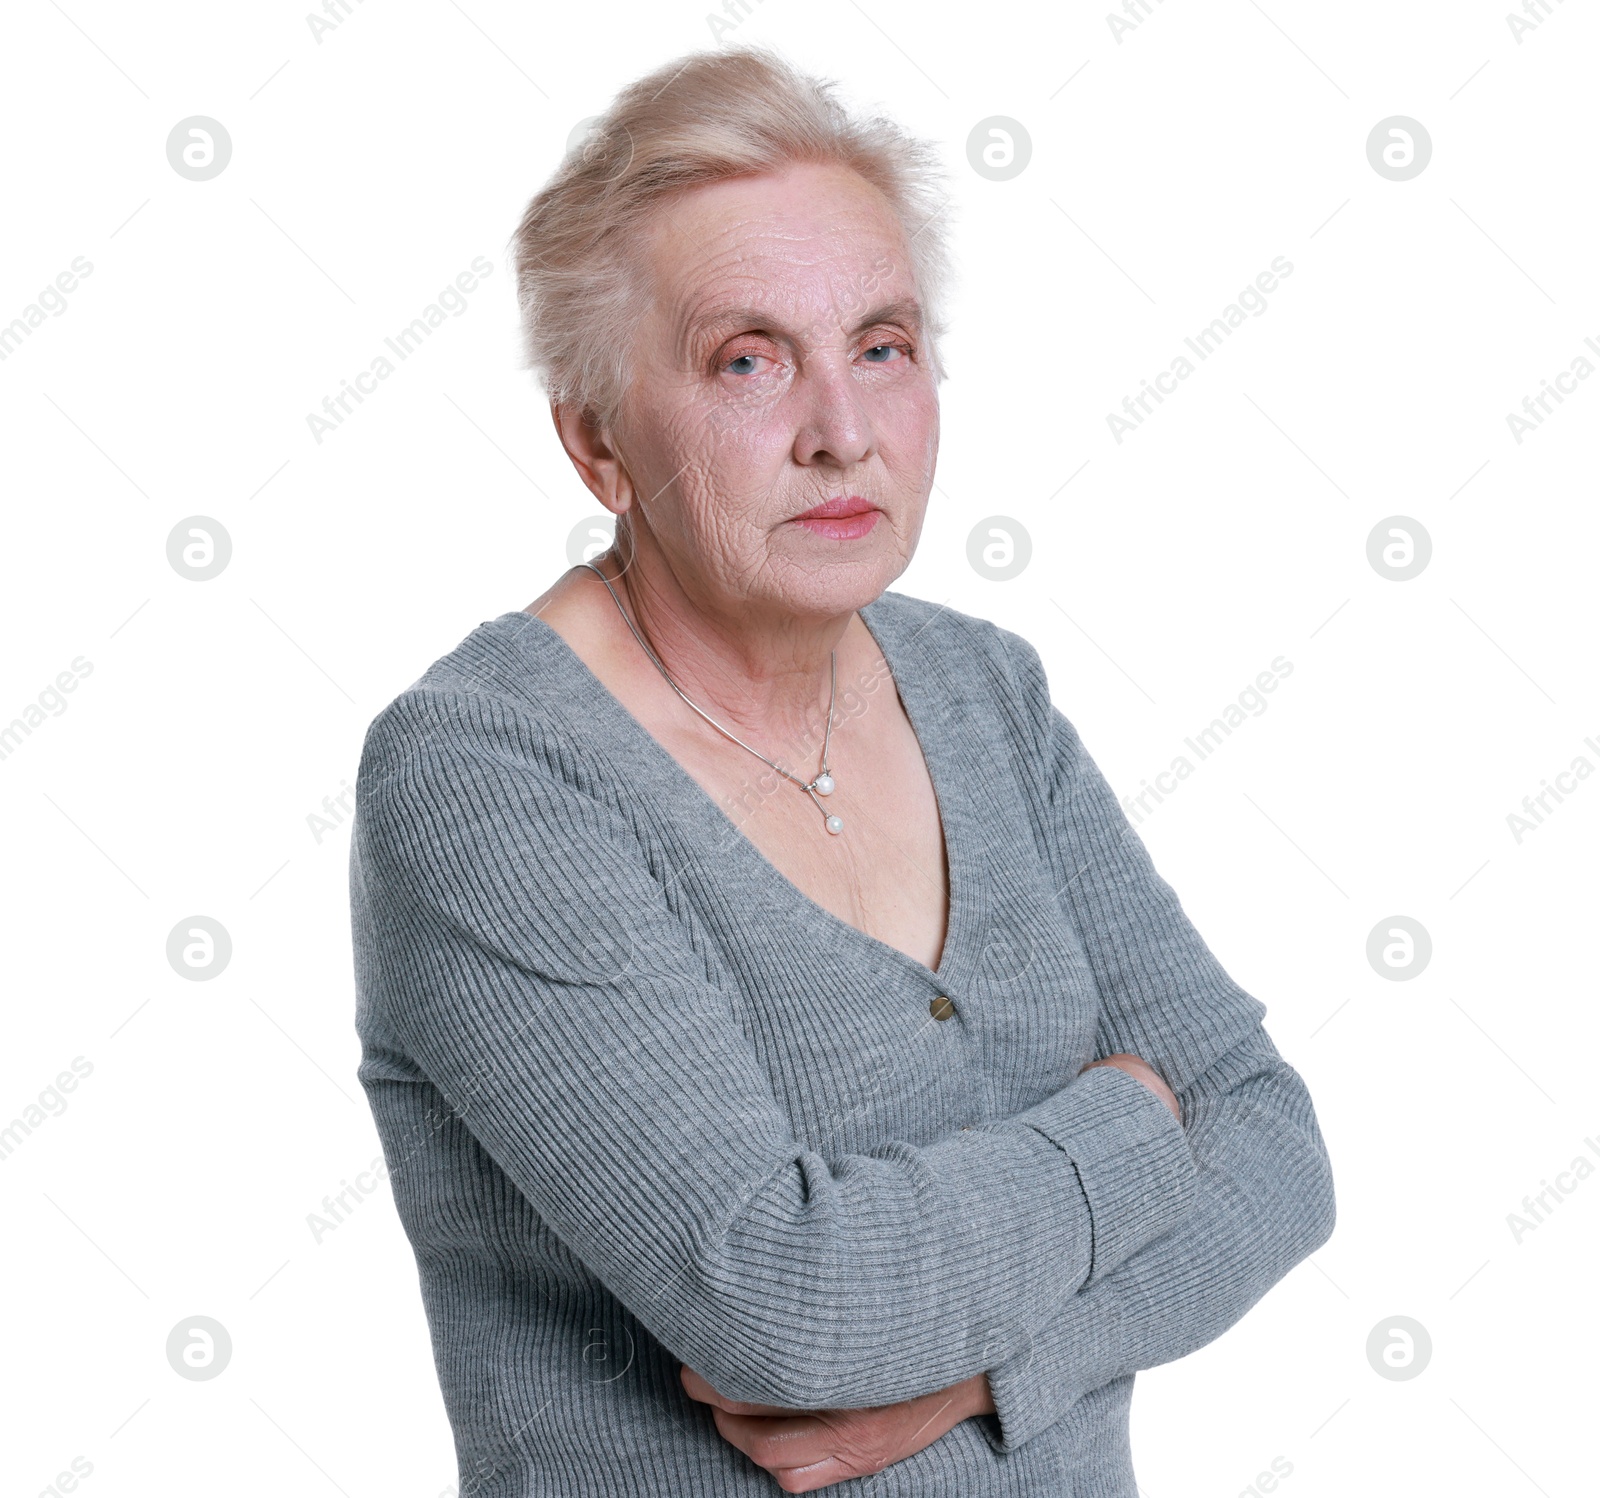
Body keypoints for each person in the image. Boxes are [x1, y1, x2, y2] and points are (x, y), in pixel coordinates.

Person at [349, 43, 1335, 1496]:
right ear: (596, 439)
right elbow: (785, 1300)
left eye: (882, 343)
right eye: (747, 360)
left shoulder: (981, 691)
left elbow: (1273, 1144)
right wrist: (1129, 1122)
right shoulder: (490, 776)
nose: (842, 430)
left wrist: (984, 1377)